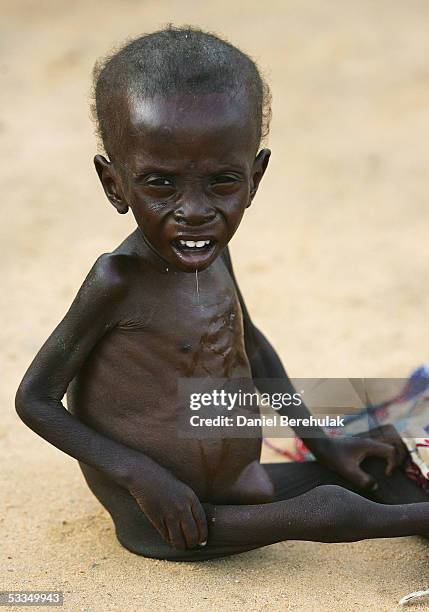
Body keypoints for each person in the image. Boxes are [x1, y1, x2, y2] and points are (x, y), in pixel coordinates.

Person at [15, 26, 429, 561]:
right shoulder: (117, 282)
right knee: (329, 509)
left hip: (239, 481)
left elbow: (251, 348)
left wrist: (326, 442)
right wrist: (140, 476)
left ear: (255, 178)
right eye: (161, 183)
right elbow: (34, 399)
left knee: (378, 461)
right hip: (170, 515)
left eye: (223, 182)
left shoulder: (214, 255)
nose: (195, 211)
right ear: (114, 183)